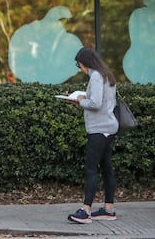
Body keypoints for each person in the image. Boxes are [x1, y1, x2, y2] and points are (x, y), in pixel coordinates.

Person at [67, 46, 118, 224]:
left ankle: (86, 210)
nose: (79, 68)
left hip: (99, 128)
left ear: (84, 62)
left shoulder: (96, 76)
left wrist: (80, 101)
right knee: (106, 167)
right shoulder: (106, 74)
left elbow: (95, 103)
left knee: (91, 168)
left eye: (78, 65)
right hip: (109, 127)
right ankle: (109, 209)